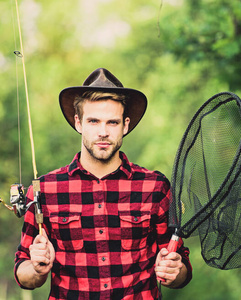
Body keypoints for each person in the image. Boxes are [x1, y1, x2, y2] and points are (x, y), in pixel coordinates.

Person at [14, 68, 193, 299]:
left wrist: (174, 270)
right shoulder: (45, 190)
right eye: (93, 121)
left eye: (112, 122)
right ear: (78, 123)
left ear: (125, 125)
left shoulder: (154, 187)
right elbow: (23, 272)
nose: (103, 132)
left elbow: (182, 272)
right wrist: (37, 269)